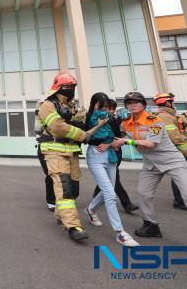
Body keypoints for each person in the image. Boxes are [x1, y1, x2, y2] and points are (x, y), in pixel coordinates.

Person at [111, 92, 187, 256]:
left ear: (144, 104)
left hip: (173, 161)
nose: (132, 104)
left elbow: (150, 144)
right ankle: (150, 225)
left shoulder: (155, 121)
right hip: (151, 164)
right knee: (143, 194)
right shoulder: (126, 124)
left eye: (136, 102)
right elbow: (118, 136)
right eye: (129, 102)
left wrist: (125, 141)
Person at [37, 72, 108, 241]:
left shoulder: (71, 106)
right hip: (54, 150)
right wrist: (83, 135)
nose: (71, 90)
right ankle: (73, 226)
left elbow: (80, 122)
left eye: (73, 87)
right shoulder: (47, 105)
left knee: (74, 189)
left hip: (71, 151)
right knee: (65, 189)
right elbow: (58, 128)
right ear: (58, 88)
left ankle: (60, 214)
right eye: (67, 87)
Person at [83, 93, 139, 247]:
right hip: (95, 155)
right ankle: (120, 233)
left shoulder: (113, 118)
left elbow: (117, 137)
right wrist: (99, 125)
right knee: (109, 193)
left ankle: (90, 209)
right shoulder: (87, 117)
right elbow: (84, 138)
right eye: (99, 106)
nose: (103, 109)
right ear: (93, 104)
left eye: (105, 106)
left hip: (111, 155)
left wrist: (109, 144)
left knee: (109, 190)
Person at [92, 99, 139, 213]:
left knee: (108, 177)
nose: (112, 111)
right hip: (105, 151)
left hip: (117, 151)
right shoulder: (98, 119)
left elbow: (120, 134)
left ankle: (96, 196)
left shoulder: (117, 119)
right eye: (109, 108)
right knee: (114, 178)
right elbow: (99, 136)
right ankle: (127, 204)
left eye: (113, 108)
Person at [152, 93, 187, 210]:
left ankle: (182, 200)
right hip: (175, 151)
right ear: (167, 103)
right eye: (172, 102)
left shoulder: (167, 115)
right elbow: (174, 137)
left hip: (174, 151)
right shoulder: (165, 117)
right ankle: (180, 201)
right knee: (179, 176)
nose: (174, 104)